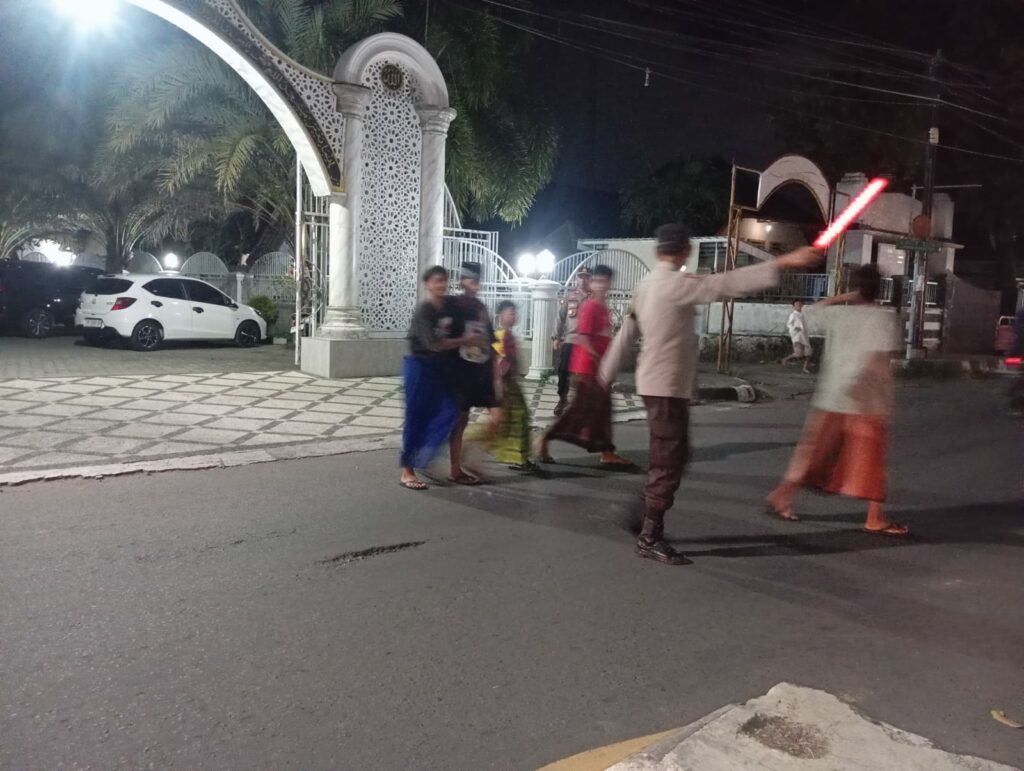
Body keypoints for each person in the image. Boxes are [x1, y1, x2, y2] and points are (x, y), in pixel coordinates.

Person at [599, 224, 823, 565]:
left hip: (657, 385)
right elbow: (722, 285)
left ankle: (639, 512)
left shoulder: (647, 283)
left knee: (674, 456)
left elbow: (627, 330)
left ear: (660, 250)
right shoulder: (674, 283)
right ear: (685, 250)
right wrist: (784, 262)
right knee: (669, 461)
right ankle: (649, 535)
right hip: (665, 388)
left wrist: (604, 375)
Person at [766, 264, 908, 536]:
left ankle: (782, 495)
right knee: (872, 463)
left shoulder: (840, 314)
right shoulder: (883, 319)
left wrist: (845, 297)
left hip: (832, 396)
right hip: (865, 401)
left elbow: (813, 311)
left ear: (855, 288)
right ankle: (874, 518)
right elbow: (878, 361)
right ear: (880, 289)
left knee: (813, 453)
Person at [536, 265, 632, 467]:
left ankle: (606, 451)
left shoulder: (602, 306)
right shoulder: (590, 307)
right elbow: (584, 338)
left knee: (602, 410)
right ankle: (544, 439)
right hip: (589, 368)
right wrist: (601, 363)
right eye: (597, 281)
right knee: (579, 412)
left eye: (604, 281)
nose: (601, 285)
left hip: (597, 368)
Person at [400, 266, 484, 490]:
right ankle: (407, 470)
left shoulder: (448, 305)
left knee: (450, 414)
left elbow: (467, 312)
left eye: (444, 281)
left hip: (441, 368)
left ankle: (432, 461)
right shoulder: (424, 311)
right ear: (427, 284)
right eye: (436, 281)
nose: (441, 284)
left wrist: (469, 289)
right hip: (419, 366)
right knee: (416, 418)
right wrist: (465, 339)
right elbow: (434, 344)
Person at [444, 261, 501, 485]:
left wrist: (496, 372)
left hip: (483, 369)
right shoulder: (453, 306)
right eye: (470, 280)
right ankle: (455, 468)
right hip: (462, 371)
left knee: (497, 417)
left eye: (477, 281)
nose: (474, 285)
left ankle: (469, 454)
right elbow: (444, 338)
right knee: (461, 420)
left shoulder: (480, 307)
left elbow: (490, 340)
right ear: (461, 281)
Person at [466, 300, 536, 471]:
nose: (514, 315)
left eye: (514, 312)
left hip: (511, 383)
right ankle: (468, 440)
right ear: (500, 316)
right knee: (507, 420)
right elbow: (499, 362)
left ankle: (519, 457)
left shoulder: (508, 335)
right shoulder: (501, 336)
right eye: (510, 312)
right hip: (505, 384)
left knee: (517, 419)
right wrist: (501, 385)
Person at [553, 268, 592, 416]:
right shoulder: (570, 297)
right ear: (577, 279)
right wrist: (556, 337)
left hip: (587, 343)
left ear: (590, 280)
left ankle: (583, 404)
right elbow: (560, 317)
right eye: (580, 277)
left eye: (586, 277)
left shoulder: (594, 298)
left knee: (585, 375)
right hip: (570, 340)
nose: (583, 280)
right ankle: (562, 399)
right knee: (563, 371)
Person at [782, 299, 812, 373]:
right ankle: (785, 359)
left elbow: (804, 326)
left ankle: (805, 368)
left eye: (800, 304)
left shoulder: (802, 314)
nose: (798, 305)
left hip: (804, 335)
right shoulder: (793, 315)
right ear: (793, 306)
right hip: (797, 336)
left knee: (808, 353)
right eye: (796, 304)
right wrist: (795, 328)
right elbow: (789, 324)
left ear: (802, 305)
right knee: (798, 354)